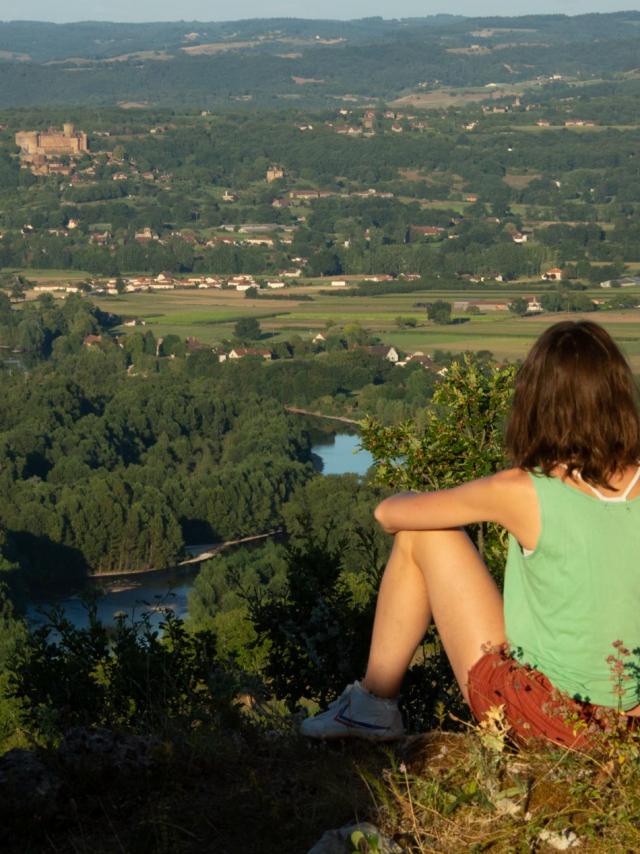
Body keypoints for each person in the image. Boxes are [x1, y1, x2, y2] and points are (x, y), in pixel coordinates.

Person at [301, 321, 640, 747]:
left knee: (422, 534)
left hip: (553, 724)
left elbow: (387, 514)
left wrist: (416, 494)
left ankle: (373, 705)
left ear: (536, 401)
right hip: (631, 731)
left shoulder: (523, 490)